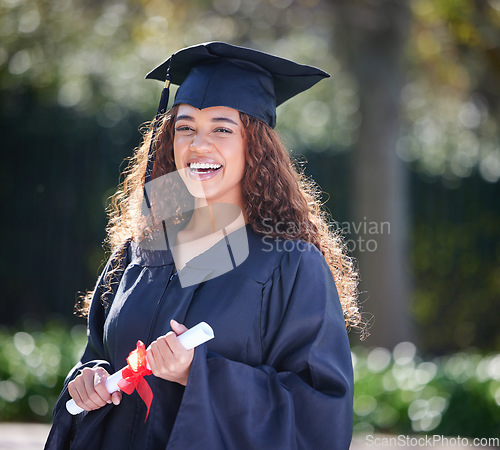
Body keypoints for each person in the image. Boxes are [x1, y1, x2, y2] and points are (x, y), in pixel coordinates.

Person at [45, 41, 363, 450]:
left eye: (221, 128)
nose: (198, 145)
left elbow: (320, 414)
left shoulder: (289, 265)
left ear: (256, 146)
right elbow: (97, 354)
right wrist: (87, 379)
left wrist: (198, 373)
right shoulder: (140, 254)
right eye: (185, 127)